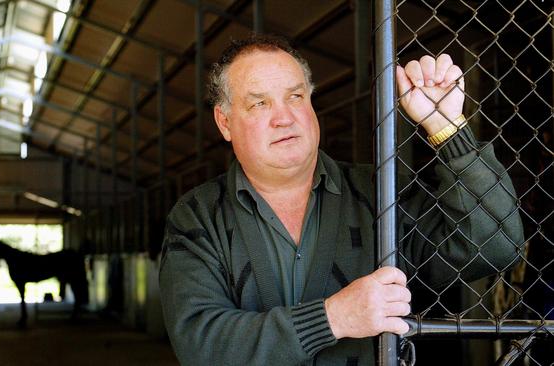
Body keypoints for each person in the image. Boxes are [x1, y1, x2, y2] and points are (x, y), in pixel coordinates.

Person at [159, 34, 524, 365]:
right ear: (224, 122)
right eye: (259, 104)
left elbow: (496, 244)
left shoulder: (378, 193)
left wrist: (446, 127)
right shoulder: (197, 215)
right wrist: (333, 318)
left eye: (295, 96)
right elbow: (201, 344)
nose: (284, 118)